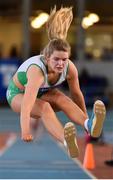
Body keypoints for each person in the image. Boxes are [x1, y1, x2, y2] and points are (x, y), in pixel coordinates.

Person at [6, 6, 106, 158]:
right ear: (47, 59)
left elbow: (77, 95)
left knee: (62, 98)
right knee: (44, 107)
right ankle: (67, 141)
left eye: (64, 60)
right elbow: (27, 104)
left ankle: (89, 125)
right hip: (18, 95)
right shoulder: (37, 72)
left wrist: (86, 122)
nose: (61, 63)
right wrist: (25, 130)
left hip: (43, 93)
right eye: (56, 60)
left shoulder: (70, 68)